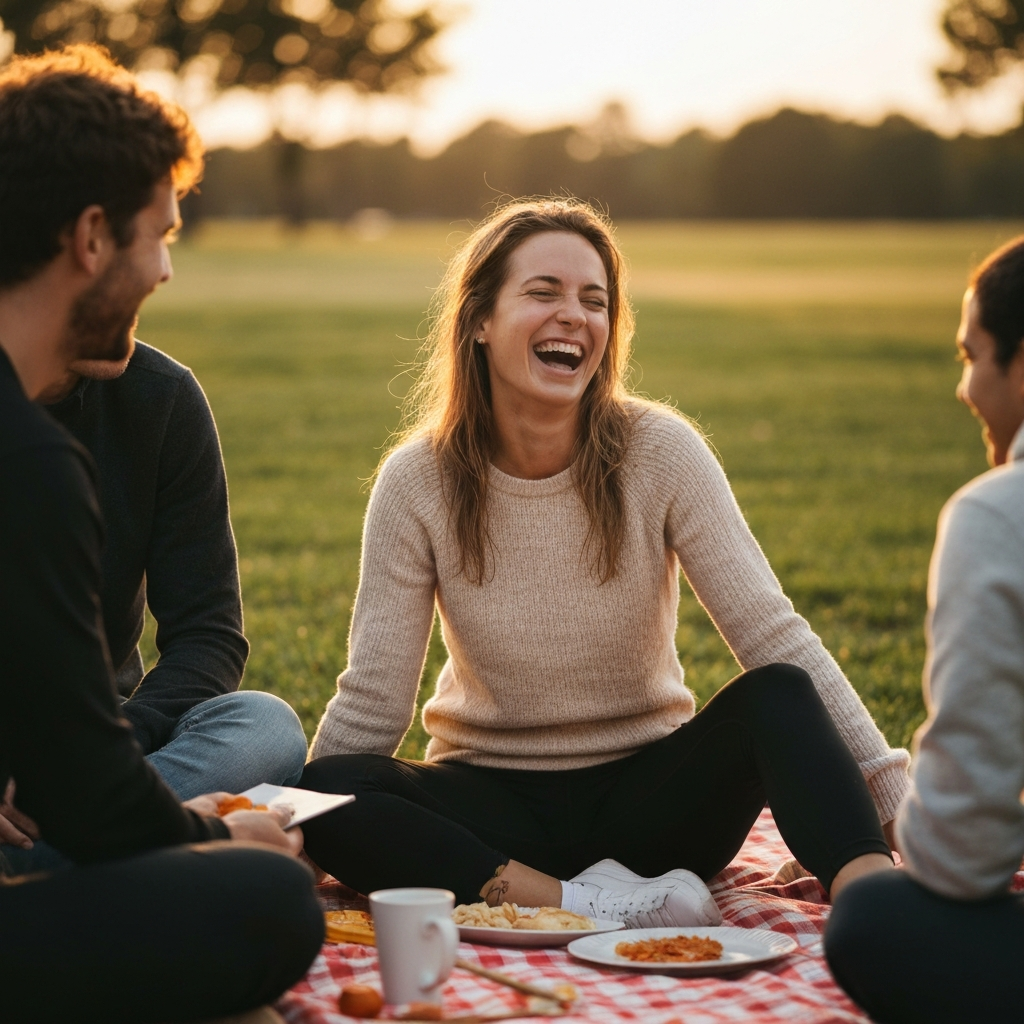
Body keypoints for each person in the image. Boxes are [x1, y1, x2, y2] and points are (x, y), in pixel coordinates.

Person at [299, 198, 908, 926]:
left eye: (596, 300)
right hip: (490, 816)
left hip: (655, 810)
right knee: (331, 784)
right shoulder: (416, 480)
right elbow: (373, 699)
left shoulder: (662, 451)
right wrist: (299, 834)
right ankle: (584, 906)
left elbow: (772, 632)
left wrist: (895, 812)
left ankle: (881, 902)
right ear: (479, 322)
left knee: (778, 691)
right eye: (543, 292)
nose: (574, 316)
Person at [0, 45, 322, 1022]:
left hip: (69, 770)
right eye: (161, 232)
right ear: (92, 236)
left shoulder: (153, 403)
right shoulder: (33, 463)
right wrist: (217, 840)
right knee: (268, 896)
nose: (168, 267)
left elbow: (206, 638)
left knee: (259, 720)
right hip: (77, 793)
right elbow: (94, 796)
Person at [824, 238, 1024, 1023]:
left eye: (972, 355)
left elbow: (961, 856)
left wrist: (904, 833)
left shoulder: (995, 515)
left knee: (875, 920)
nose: (963, 386)